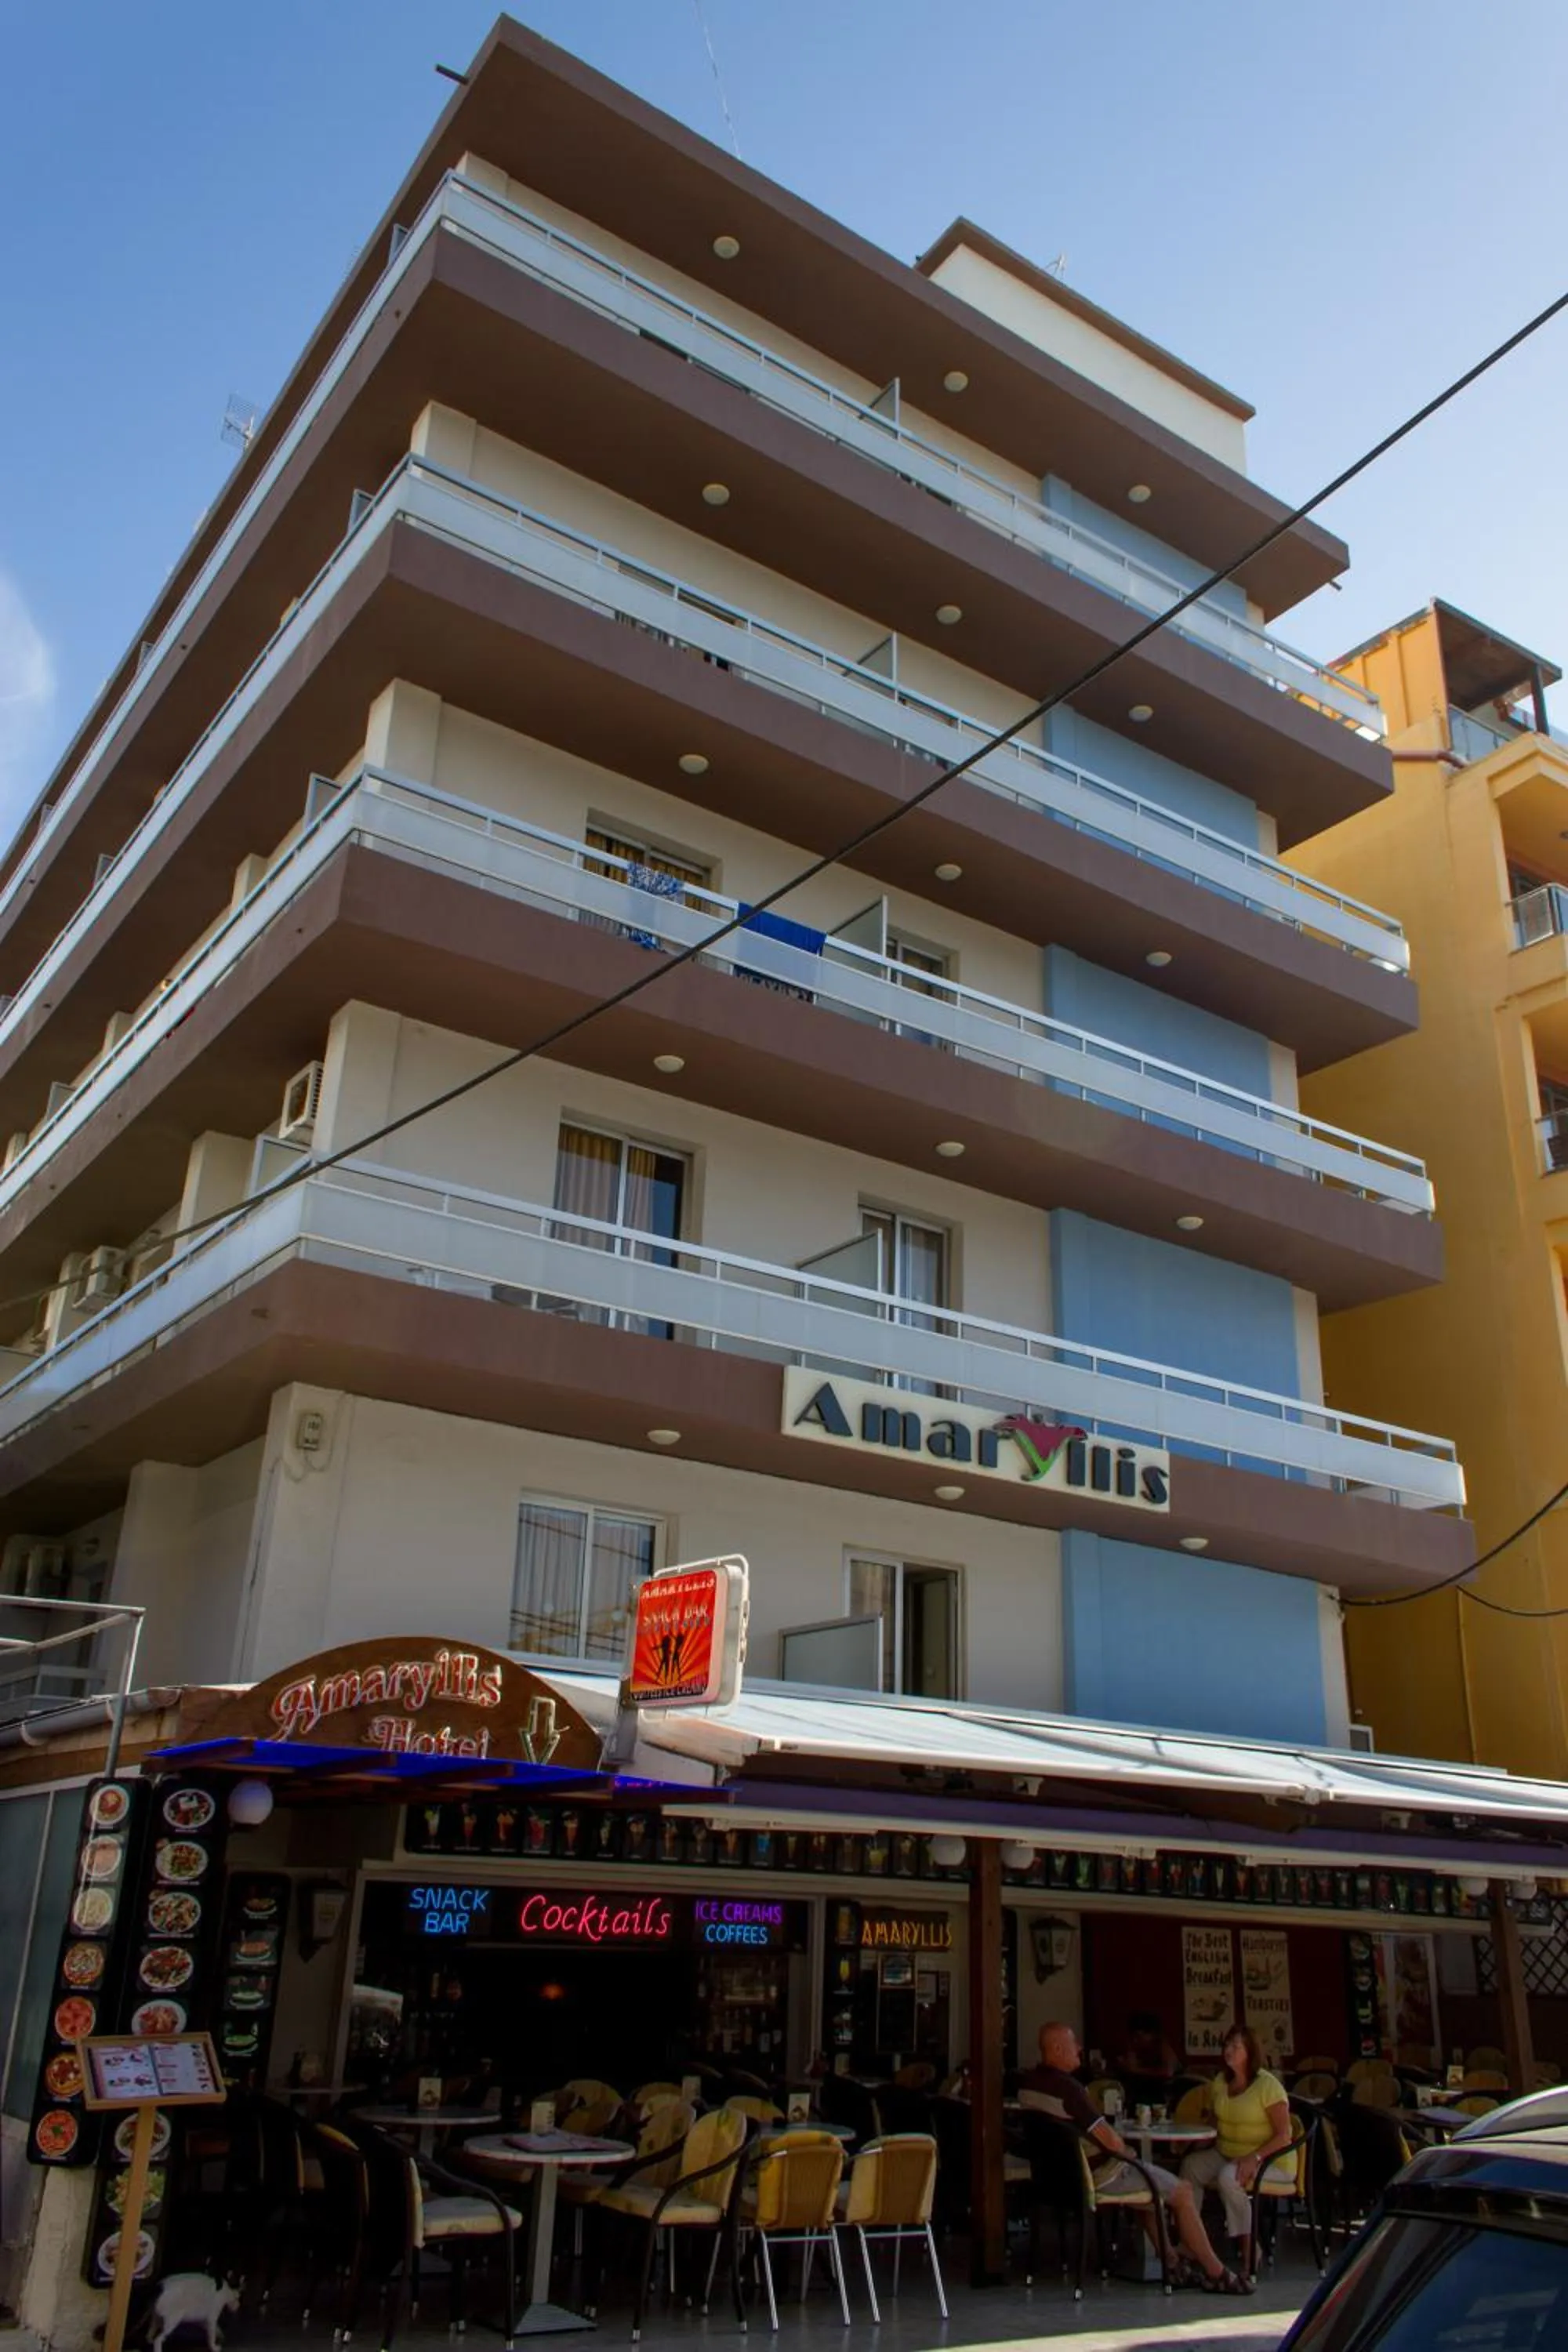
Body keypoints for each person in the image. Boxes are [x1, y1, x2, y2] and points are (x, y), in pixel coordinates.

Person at [1020, 2022, 1250, 2295]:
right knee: (1183, 2192)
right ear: (1057, 2049)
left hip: (1057, 2179)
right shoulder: (1070, 2091)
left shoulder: (1029, 2086)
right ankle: (1216, 2272)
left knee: (1147, 2188)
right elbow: (1112, 2142)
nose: (1080, 2049)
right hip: (1098, 2177)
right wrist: (1128, 2153)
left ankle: (1172, 2264)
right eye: (1074, 2044)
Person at [1181, 2024, 1294, 2271]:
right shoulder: (1220, 2082)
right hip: (1227, 2151)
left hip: (1270, 2160)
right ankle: (1192, 2241)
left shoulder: (1268, 2085)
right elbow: (1215, 2121)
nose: (1229, 2050)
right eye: (1227, 2045)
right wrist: (1193, 2139)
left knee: (1228, 2177)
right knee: (1191, 2167)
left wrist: (1255, 2157)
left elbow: (1284, 2135)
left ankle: (1249, 2247)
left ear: (1250, 2051)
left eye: (1236, 2046)